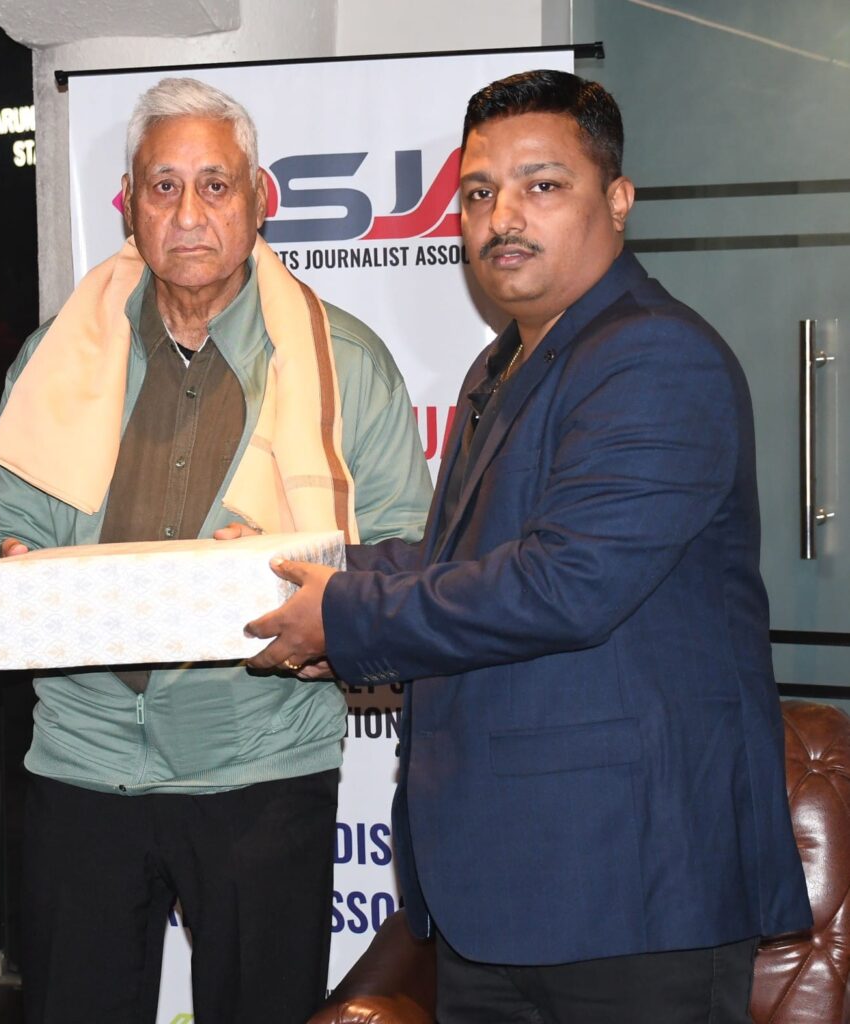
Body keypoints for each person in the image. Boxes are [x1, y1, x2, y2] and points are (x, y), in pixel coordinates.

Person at [243, 70, 812, 1023]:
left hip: (629, 890)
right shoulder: (506, 362)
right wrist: (292, 569)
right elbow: (458, 563)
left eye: (542, 185)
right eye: (479, 192)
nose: (502, 216)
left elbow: (565, 584)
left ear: (618, 200)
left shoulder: (655, 356)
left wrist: (342, 614)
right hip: (503, 895)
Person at [0, 77, 431, 1024]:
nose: (188, 215)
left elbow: (410, 564)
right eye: (164, 186)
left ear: (260, 199)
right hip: (82, 766)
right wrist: (16, 567)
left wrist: (298, 574)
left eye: (215, 186)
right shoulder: (55, 359)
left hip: (261, 770)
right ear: (128, 205)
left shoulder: (346, 364)